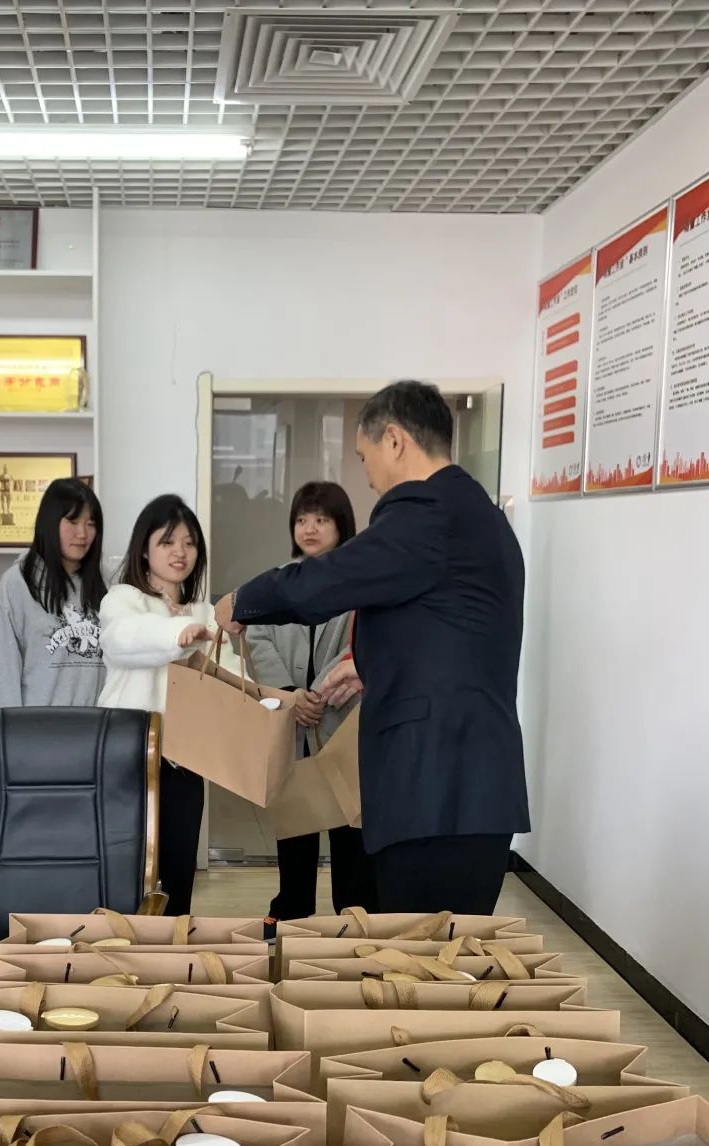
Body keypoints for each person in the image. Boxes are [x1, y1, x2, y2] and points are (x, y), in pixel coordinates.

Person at [215, 381, 530, 915]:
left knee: (416, 956)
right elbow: (452, 631)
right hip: (470, 788)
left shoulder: (427, 510)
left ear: (395, 440)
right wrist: (367, 666)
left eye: (364, 457)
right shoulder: (480, 516)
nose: (367, 475)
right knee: (447, 954)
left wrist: (242, 601)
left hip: (436, 791)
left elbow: (328, 580)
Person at [247, 481, 378, 922]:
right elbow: (258, 636)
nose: (310, 528)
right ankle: (292, 915)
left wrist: (315, 696)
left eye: (321, 519)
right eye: (302, 519)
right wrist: (289, 695)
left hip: (340, 722)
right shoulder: (280, 581)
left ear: (342, 526)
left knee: (348, 831)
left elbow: (359, 644)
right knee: (294, 830)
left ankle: (352, 920)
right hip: (290, 725)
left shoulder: (357, 582)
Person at [99, 494, 226, 916]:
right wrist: (180, 633)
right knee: (128, 869)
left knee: (178, 869)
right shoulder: (122, 599)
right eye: (167, 542)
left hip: (186, 760)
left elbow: (230, 675)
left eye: (189, 543)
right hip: (130, 756)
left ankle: (172, 947)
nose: (180, 552)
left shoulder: (206, 611)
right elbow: (125, 639)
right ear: (144, 549)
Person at [0, 478, 106, 708]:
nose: (82, 533)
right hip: (36, 726)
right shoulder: (17, 584)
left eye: (90, 524)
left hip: (99, 726)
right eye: (72, 521)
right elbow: (0, 674)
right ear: (50, 522)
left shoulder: (106, 582)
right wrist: (7, 727)